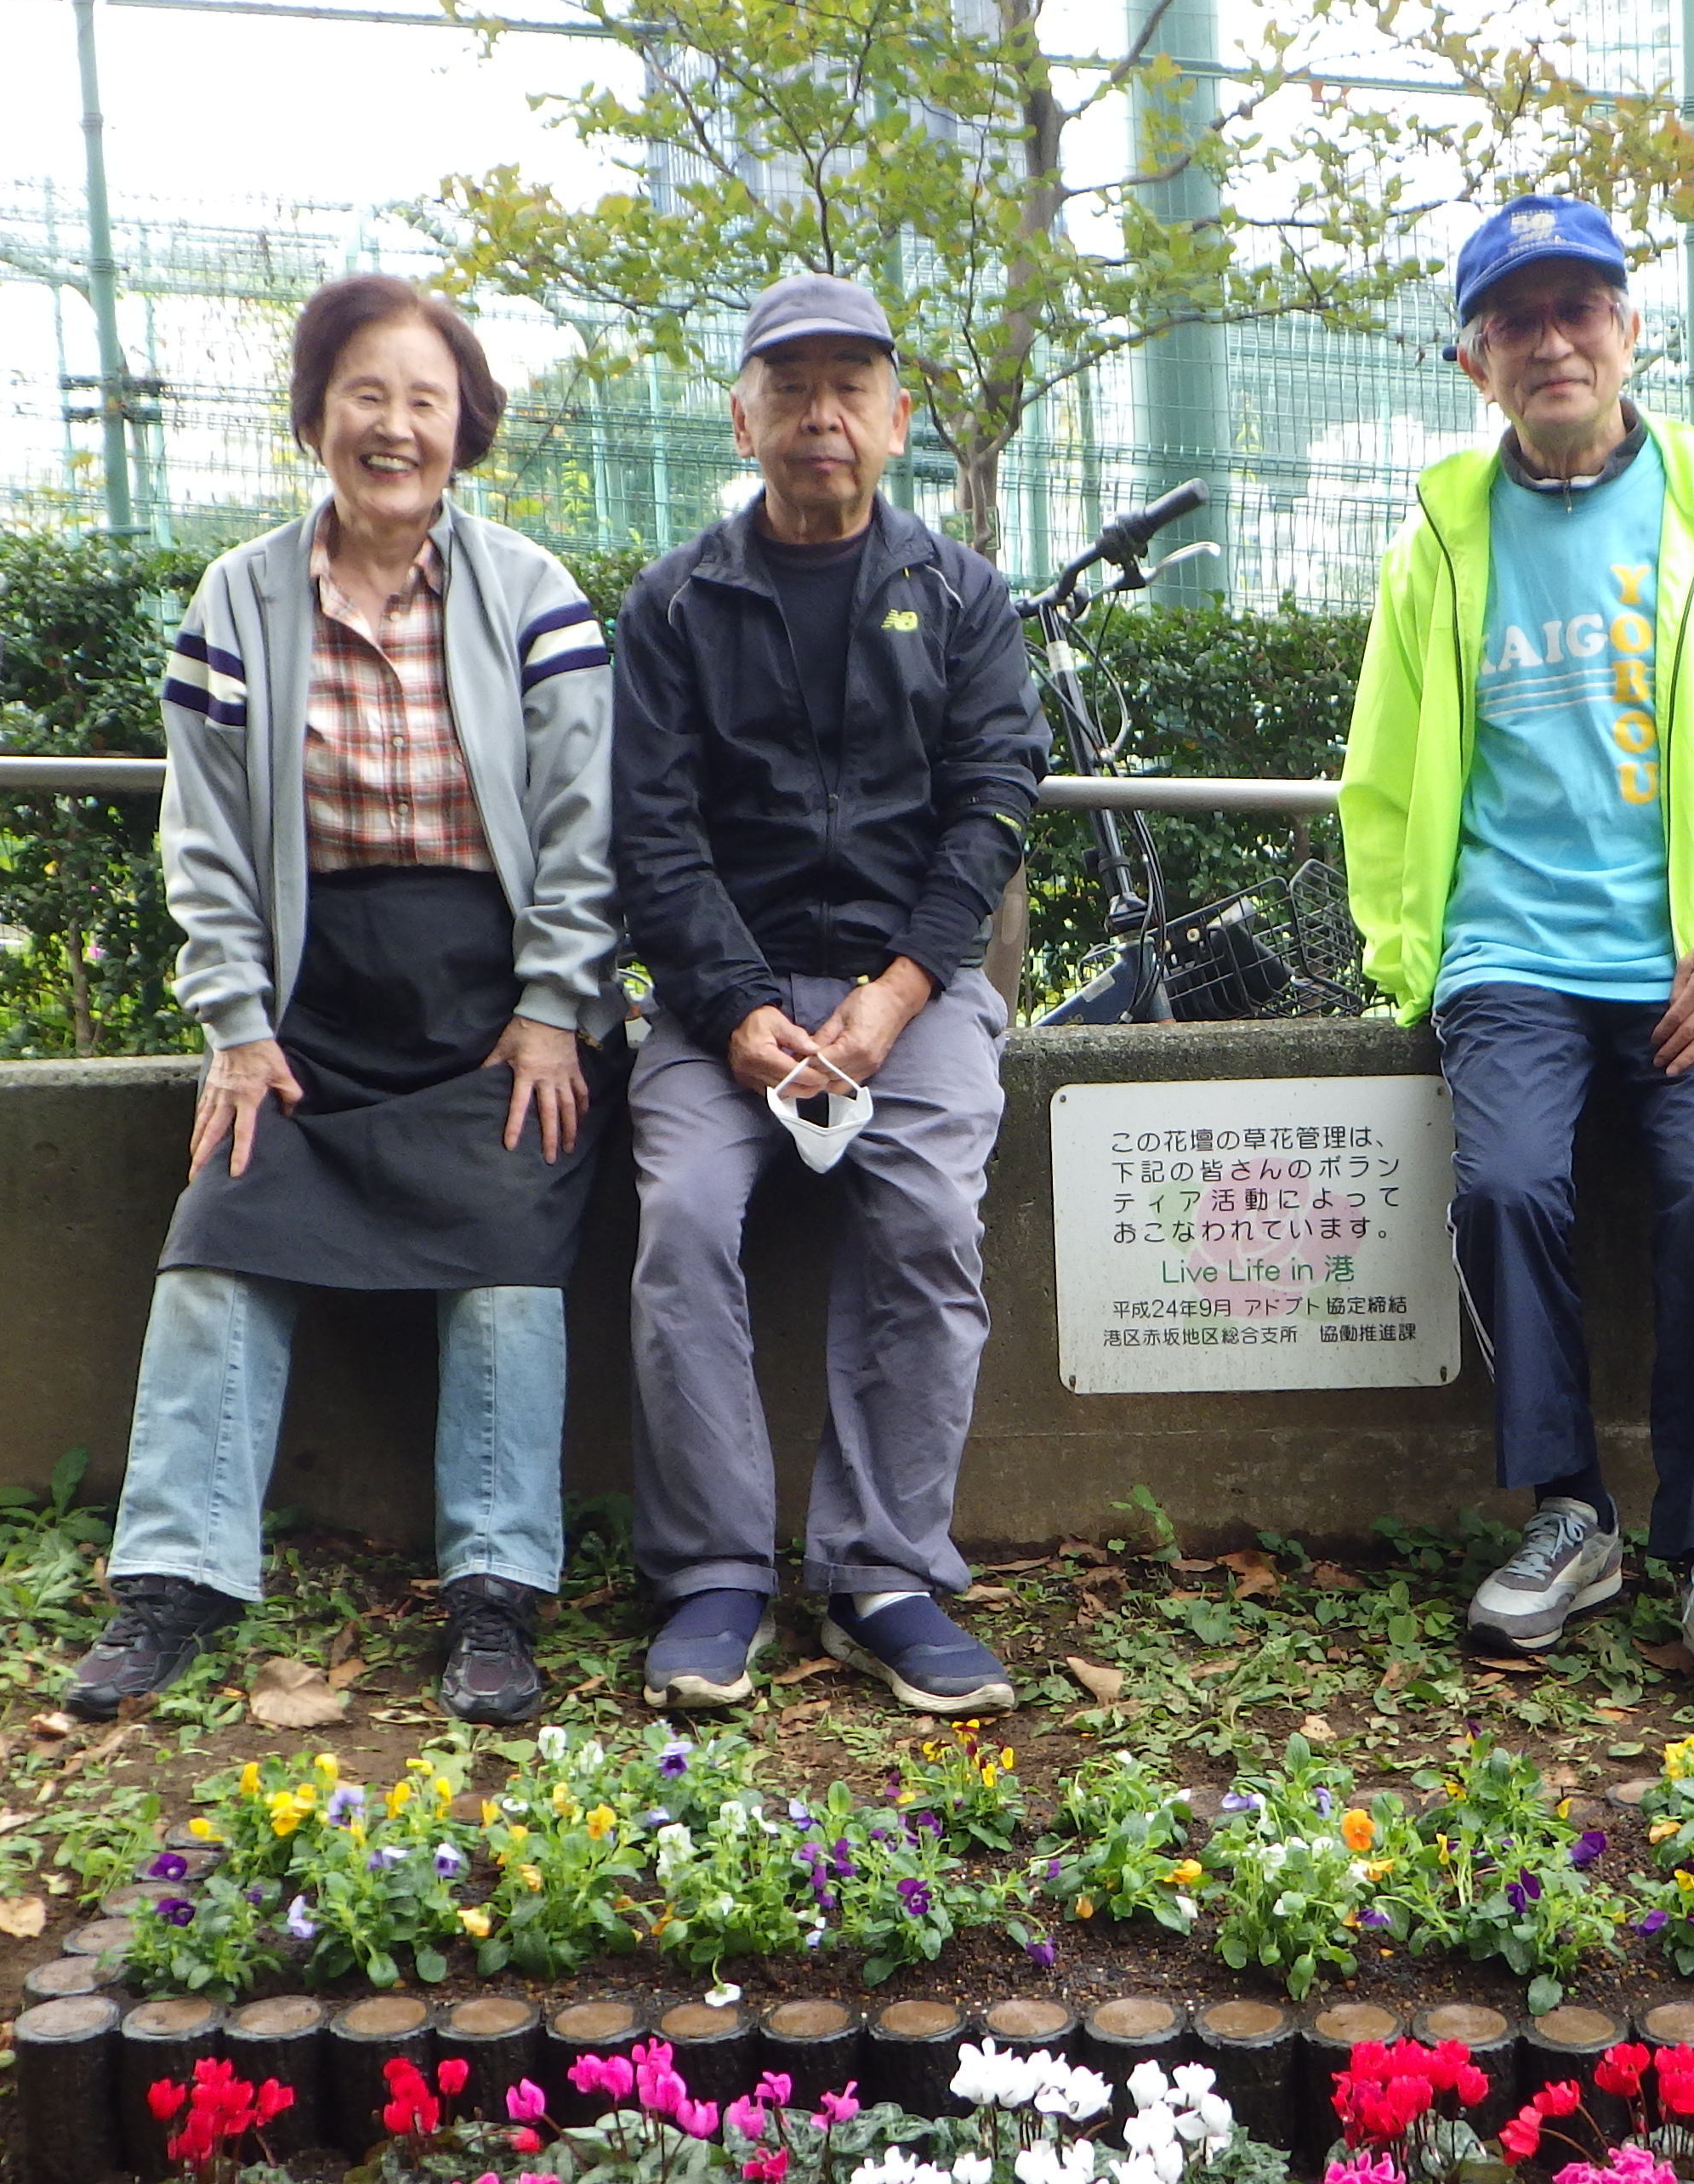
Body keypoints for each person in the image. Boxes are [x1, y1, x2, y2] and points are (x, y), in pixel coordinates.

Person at [61, 276, 617, 1727]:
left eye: (426, 400)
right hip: (308, 1014)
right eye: (366, 393)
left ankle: (495, 1600)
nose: (395, 426)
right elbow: (206, 843)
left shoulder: (533, 597)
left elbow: (582, 825)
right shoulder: (237, 602)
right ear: (315, 417)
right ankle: (170, 1587)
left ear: (464, 428)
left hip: (493, 1008)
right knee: (217, 1243)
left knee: (509, 1265)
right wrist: (235, 1029)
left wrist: (558, 1006)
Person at [1339, 193, 1694, 1726]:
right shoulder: (1438, 529)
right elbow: (1382, 768)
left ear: (1631, 333)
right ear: (1474, 362)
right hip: (1509, 949)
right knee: (1503, 1183)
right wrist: (1410, 958)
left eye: (1582, 312)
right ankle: (1572, 1513)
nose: (1554, 341)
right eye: (1519, 321)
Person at [611, 272, 1047, 1716]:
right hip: (711, 1001)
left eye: (850, 386)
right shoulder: (675, 607)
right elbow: (653, 833)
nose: (821, 416)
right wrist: (735, 1007)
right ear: (743, 416)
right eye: (789, 388)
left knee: (923, 1213)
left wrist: (902, 990)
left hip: (907, 1000)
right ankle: (717, 1570)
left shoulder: (964, 599)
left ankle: (882, 1570)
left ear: (896, 415)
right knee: (679, 1218)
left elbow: (990, 806)